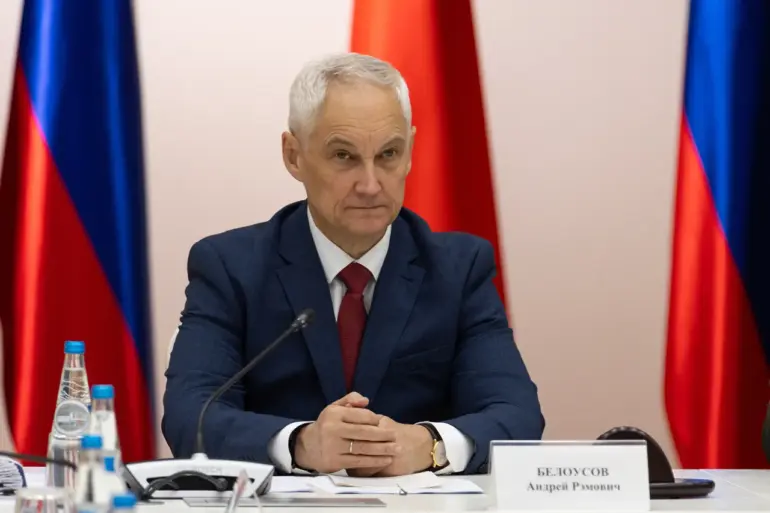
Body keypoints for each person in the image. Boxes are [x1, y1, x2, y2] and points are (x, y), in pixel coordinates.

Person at [162, 52, 544, 476]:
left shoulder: (459, 269)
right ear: (293, 155)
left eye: (388, 154)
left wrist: (429, 445)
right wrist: (301, 444)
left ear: (410, 151)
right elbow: (190, 417)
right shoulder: (230, 268)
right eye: (344, 156)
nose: (370, 184)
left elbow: (517, 415)